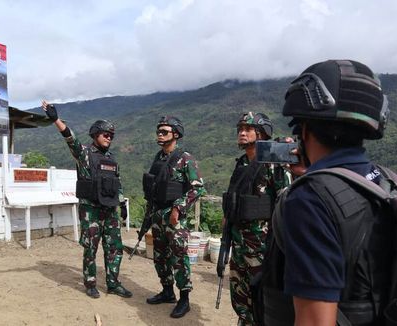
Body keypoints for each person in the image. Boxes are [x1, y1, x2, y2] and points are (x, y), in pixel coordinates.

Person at [260, 59, 396, 325]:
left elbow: (315, 321)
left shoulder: (309, 200)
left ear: (305, 131)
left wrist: (313, 185)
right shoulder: (387, 182)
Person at [41, 100, 132, 299]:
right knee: (90, 247)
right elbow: (70, 139)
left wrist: (122, 203)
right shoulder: (84, 154)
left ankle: (113, 283)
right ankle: (90, 283)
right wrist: (56, 119)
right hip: (91, 210)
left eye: (111, 136)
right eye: (105, 134)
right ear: (95, 134)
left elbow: (117, 183)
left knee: (115, 248)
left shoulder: (111, 158)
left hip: (109, 210)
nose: (109, 138)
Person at [221, 112, 290, 326]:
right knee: (239, 293)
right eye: (240, 128)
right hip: (239, 242)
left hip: (262, 246)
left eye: (247, 129)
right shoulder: (241, 163)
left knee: (261, 295)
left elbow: (285, 202)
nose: (241, 132)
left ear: (261, 134)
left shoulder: (273, 163)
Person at [143, 116, 206, 318]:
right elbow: (153, 187)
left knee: (178, 257)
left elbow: (198, 188)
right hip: (158, 214)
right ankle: (167, 291)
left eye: (164, 132)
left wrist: (178, 208)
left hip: (174, 217)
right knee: (159, 257)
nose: (159, 135)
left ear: (176, 134)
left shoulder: (185, 158)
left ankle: (184, 299)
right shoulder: (158, 158)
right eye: (158, 131)